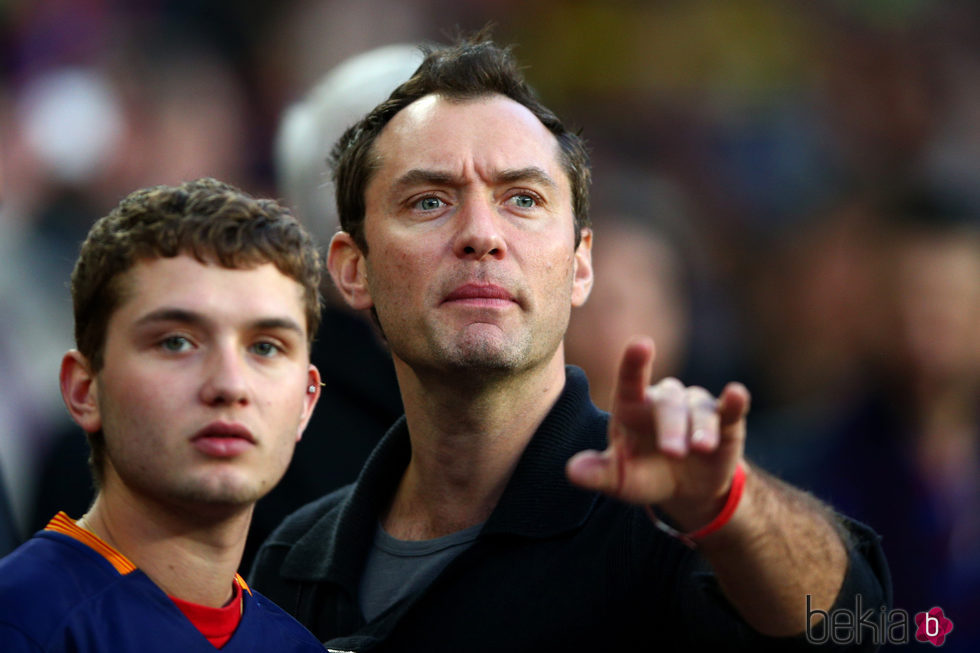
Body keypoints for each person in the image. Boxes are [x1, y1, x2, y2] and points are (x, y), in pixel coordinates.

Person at [249, 34, 890, 651]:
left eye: (522, 199)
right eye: (429, 201)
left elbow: (863, 627)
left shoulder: (667, 520)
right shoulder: (289, 560)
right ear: (352, 269)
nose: (481, 234)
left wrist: (729, 510)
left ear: (580, 266)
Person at [0, 178, 328, 652]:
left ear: (306, 401)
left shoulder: (297, 646)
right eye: (176, 342)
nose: (229, 385)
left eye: (264, 347)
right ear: (84, 389)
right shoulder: (20, 624)